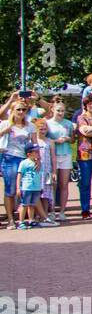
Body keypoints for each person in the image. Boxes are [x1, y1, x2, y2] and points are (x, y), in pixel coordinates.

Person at [0, 93, 38, 227]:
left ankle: (24, 218)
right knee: (10, 190)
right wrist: (5, 130)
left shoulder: (30, 126)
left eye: (23, 109)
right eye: (18, 109)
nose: (21, 112)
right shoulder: (5, 124)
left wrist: (37, 159)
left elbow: (34, 143)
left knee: (25, 188)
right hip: (10, 158)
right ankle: (11, 219)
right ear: (13, 111)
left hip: (25, 159)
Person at [47, 100, 75, 222]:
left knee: (64, 184)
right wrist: (54, 141)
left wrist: (68, 138)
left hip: (66, 154)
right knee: (53, 184)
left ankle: (62, 211)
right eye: (58, 110)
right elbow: (43, 137)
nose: (60, 113)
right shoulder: (48, 123)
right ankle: (52, 210)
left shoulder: (68, 123)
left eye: (62, 111)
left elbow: (73, 139)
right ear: (52, 110)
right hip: (52, 155)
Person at [15, 142, 52, 229]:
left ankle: (31, 220)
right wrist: (18, 188)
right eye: (35, 152)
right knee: (24, 204)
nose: (38, 153)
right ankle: (21, 222)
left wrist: (41, 187)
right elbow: (19, 175)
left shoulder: (39, 163)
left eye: (38, 151)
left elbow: (40, 174)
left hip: (36, 188)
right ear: (29, 154)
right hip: (26, 187)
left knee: (32, 204)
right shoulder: (24, 163)